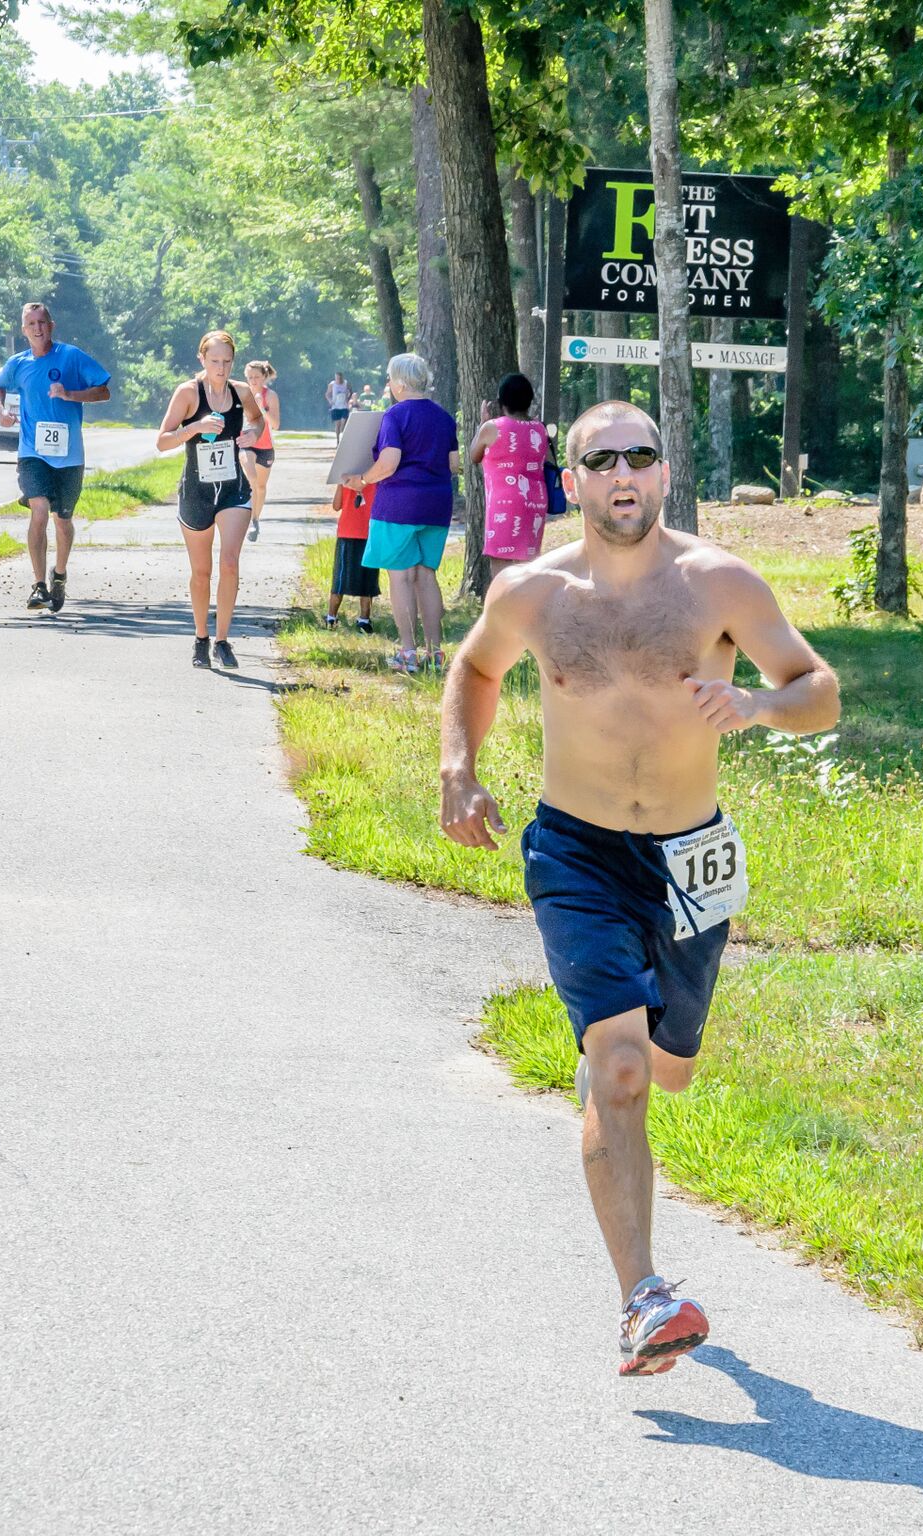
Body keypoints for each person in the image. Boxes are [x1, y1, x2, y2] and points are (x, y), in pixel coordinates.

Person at [438, 400, 840, 1375]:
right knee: (619, 1071)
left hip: (694, 856)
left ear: (664, 473)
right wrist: (458, 762)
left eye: (642, 457)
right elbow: (474, 670)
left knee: (670, 1067)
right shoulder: (532, 593)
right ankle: (644, 1298)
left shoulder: (719, 584)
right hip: (575, 852)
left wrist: (754, 702)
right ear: (570, 480)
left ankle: (622, 1069)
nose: (624, 473)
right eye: (602, 459)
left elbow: (818, 690)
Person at [341, 353, 458, 675]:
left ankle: (408, 652)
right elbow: (453, 465)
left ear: (401, 383)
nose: (389, 384)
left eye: (390, 379)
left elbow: (389, 462)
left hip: (399, 504)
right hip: (437, 504)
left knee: (402, 577)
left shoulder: (395, 415)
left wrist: (362, 480)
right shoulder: (444, 417)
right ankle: (435, 653)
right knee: (426, 576)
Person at [155, 330, 264, 670]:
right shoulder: (188, 393)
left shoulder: (241, 391)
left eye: (227, 361)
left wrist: (253, 432)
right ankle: (201, 637)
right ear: (201, 359)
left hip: (233, 488)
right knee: (201, 572)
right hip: (196, 491)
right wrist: (194, 427)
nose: (221, 368)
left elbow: (258, 420)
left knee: (229, 562)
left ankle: (223, 640)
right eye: (215, 361)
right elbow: (161, 442)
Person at [0, 302, 111, 613]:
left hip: (69, 456)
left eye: (42, 322)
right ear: (23, 330)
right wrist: (2, 412)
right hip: (33, 452)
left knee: (63, 520)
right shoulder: (18, 363)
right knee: (40, 512)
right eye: (30, 323)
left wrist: (71, 394)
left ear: (51, 325)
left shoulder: (71, 356)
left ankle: (58, 574)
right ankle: (38, 585)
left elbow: (103, 391)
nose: (37, 328)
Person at [468, 372, 549, 582]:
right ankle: (527, 611)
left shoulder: (492, 427)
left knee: (501, 561)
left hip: (505, 502)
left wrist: (482, 424)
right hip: (535, 501)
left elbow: (473, 455)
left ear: (501, 400)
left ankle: (502, 610)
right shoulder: (540, 428)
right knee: (528, 564)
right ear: (529, 400)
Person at [326, 480, 379, 633]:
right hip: (369, 532)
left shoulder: (346, 478)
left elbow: (336, 506)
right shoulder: (377, 478)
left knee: (340, 578)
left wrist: (340, 484)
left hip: (347, 531)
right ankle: (364, 619)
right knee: (368, 579)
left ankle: (331, 617)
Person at [242, 359, 280, 543]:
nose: (253, 381)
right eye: (250, 377)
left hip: (265, 446)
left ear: (264, 377)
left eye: (256, 377)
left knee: (261, 486)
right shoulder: (242, 393)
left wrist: (262, 409)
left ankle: (256, 518)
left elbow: (276, 424)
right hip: (246, 443)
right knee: (252, 479)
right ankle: (249, 520)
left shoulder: (270, 396)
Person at [326, 372, 352, 441]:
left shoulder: (346, 383)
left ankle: (342, 432)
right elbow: (327, 394)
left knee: (343, 421)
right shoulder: (332, 384)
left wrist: (348, 399)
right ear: (335, 378)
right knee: (337, 424)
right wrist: (330, 401)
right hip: (335, 406)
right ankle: (338, 440)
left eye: (340, 378)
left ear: (342, 377)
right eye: (337, 378)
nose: (338, 379)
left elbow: (351, 391)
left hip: (344, 406)